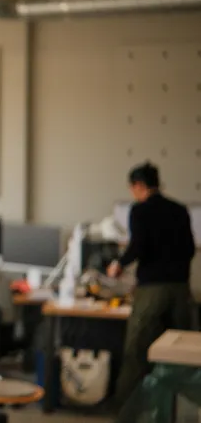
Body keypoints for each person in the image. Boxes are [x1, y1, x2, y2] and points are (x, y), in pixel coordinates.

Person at [107, 161, 196, 409]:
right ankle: (177, 409)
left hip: (152, 289)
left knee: (136, 350)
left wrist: (119, 265)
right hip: (180, 289)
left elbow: (138, 246)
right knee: (178, 354)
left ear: (138, 186)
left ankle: (125, 408)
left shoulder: (140, 210)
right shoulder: (179, 210)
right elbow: (189, 249)